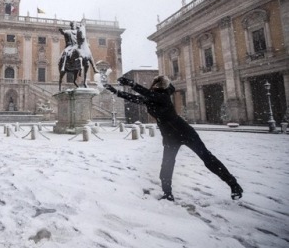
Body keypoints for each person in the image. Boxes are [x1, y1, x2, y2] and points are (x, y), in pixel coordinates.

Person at [104, 75, 243, 201]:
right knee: (167, 165)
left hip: (185, 132)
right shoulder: (151, 98)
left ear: (160, 86)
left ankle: (234, 185)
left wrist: (132, 84)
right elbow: (135, 98)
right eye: (155, 85)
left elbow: (146, 94)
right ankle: (167, 194)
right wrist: (115, 91)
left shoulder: (163, 96)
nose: (154, 87)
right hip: (170, 137)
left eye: (157, 85)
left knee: (207, 158)